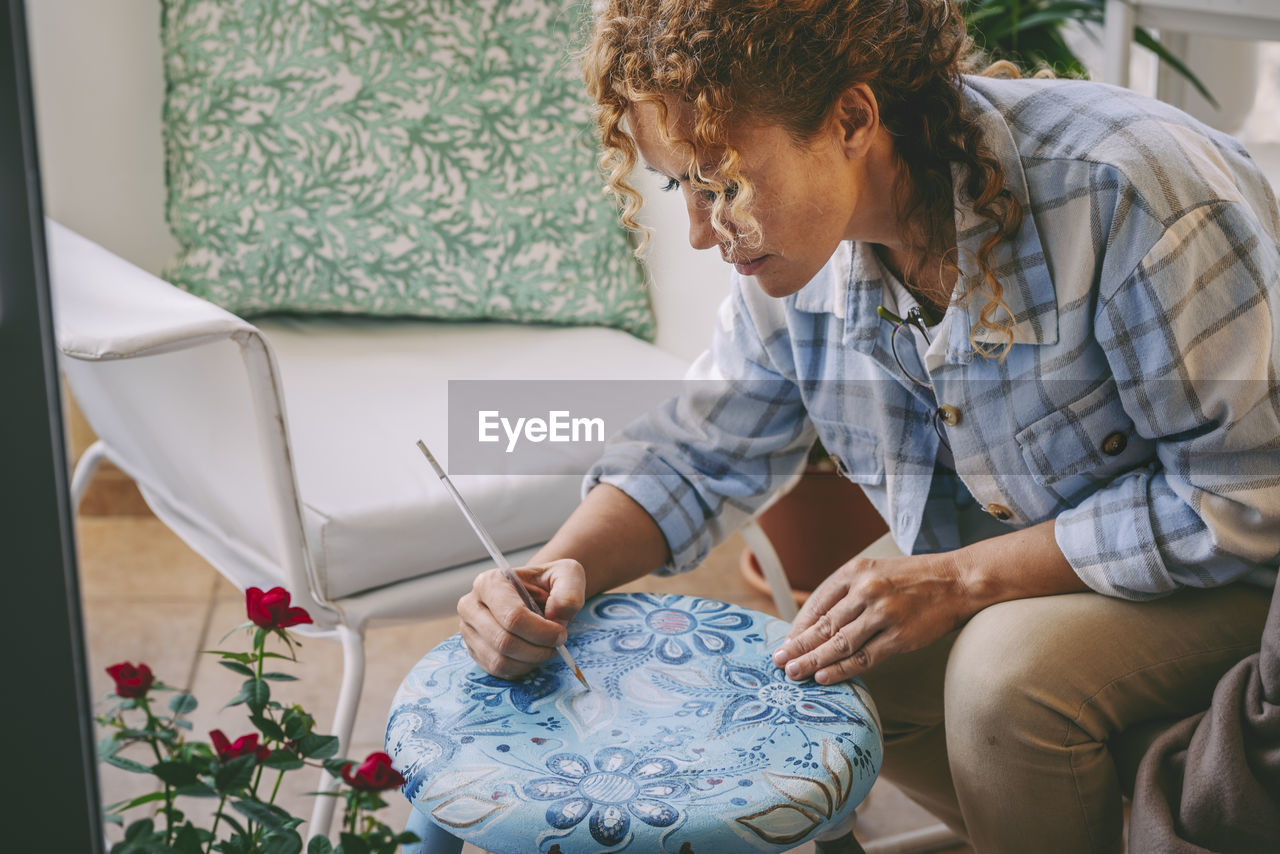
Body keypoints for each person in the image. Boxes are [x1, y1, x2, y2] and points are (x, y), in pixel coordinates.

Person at [456, 1, 1280, 850]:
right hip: (1036, 544)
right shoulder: (797, 259)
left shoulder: (1131, 190)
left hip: (1242, 574)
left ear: (853, 118)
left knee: (1004, 678)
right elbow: (701, 450)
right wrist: (557, 569)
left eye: (723, 182)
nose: (704, 234)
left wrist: (963, 579)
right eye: (681, 188)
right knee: (818, 667)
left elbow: (1248, 496)